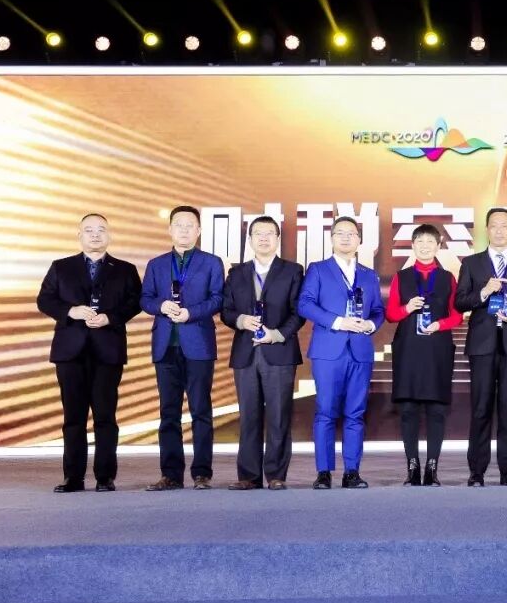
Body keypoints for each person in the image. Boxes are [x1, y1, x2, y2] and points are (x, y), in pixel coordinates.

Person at [37, 213, 142, 493]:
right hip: (70, 351)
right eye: (89, 230)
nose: (95, 235)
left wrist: (110, 318)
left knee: (105, 416)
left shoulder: (125, 269)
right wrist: (70, 311)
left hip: (107, 349)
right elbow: (45, 299)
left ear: (109, 235)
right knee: (73, 417)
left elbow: (135, 302)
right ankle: (73, 477)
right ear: (79, 235)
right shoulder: (61, 267)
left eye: (101, 230)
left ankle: (105, 477)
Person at [140, 206, 224, 491]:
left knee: (201, 410)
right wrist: (160, 306)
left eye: (190, 225)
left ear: (199, 230)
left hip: (198, 344)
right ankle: (171, 474)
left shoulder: (211, 262)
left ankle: (202, 473)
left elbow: (218, 299)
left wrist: (191, 313)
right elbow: (145, 299)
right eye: (179, 225)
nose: (184, 230)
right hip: (165, 346)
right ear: (170, 229)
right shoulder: (156, 264)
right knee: (169, 412)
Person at [297, 217, 384, 489]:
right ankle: (323, 472)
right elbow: (305, 304)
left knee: (355, 412)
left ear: (359, 240)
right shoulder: (318, 269)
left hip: (360, 351)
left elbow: (378, 311)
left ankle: (352, 472)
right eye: (340, 233)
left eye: (351, 233)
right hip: (328, 350)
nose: (346, 238)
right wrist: (338, 321)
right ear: (332, 238)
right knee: (325, 411)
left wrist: (371, 325)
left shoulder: (369, 275)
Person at [221, 216, 305, 491]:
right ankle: (248, 476)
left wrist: (276, 334)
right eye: (258, 233)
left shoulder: (292, 271)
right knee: (248, 416)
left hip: (279, 350)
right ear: (250, 239)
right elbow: (226, 311)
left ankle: (276, 475)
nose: (264, 238)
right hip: (245, 352)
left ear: (278, 238)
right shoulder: (236, 273)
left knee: (279, 416)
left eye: (270, 233)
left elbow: (298, 313)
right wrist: (240, 320)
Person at [455, 207, 507, 487]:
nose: (499, 230)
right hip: (482, 344)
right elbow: (460, 302)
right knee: (480, 408)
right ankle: (476, 471)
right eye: (494, 225)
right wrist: (484, 291)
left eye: (505, 225)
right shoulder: (472, 263)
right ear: (487, 229)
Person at [385, 224, 463, 486]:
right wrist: (407, 308)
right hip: (408, 348)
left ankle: (432, 468)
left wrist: (440, 324)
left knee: (436, 409)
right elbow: (390, 314)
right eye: (420, 241)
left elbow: (457, 316)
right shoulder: (402, 277)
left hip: (437, 348)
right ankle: (412, 467)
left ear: (438, 246)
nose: (425, 246)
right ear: (413, 245)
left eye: (431, 241)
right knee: (408, 409)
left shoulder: (447, 278)